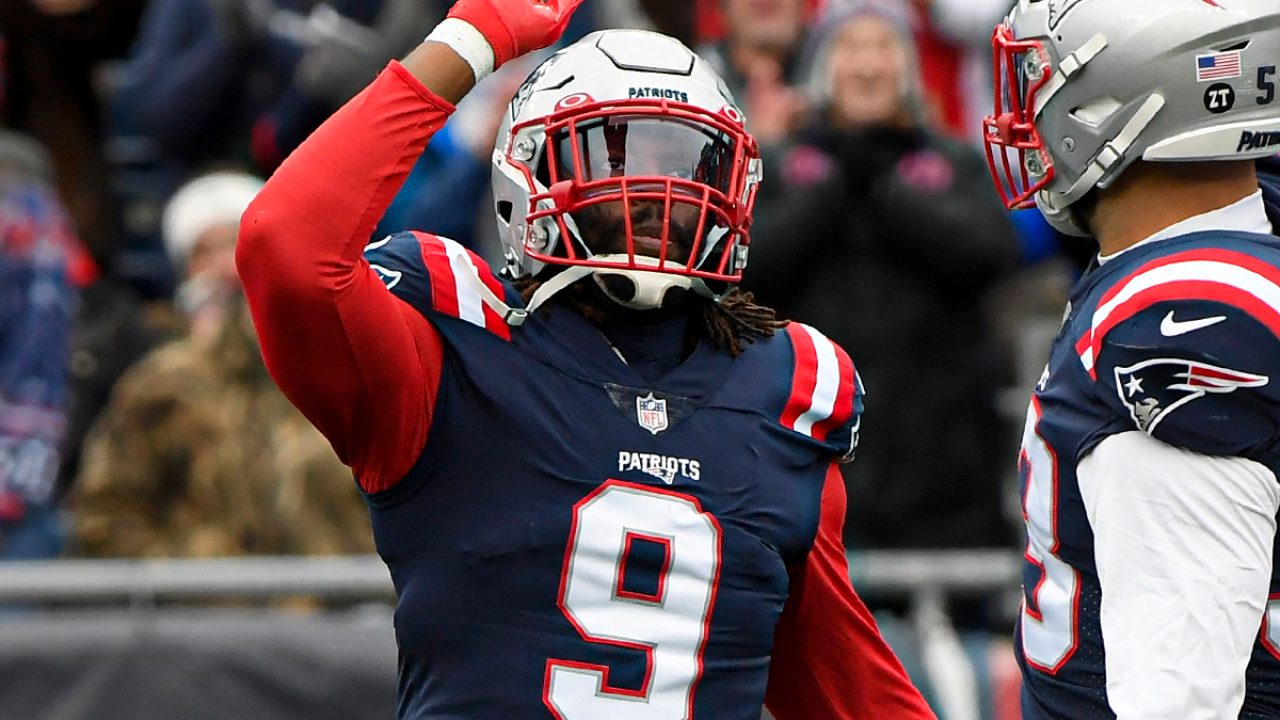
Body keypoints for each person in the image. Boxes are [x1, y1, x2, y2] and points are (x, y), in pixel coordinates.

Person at [236, 0, 936, 717]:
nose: (658, 188)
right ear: (530, 175)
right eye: (616, 152)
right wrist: (472, 42)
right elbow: (285, 248)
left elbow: (844, 682)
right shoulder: (453, 339)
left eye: (686, 159)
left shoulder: (783, 386)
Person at [983, 2, 1280, 718]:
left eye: (1039, 77)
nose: (1024, 111)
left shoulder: (1179, 313)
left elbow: (1179, 695)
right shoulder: (1233, 245)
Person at [747, 1, 1019, 554]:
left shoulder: (954, 163)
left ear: (909, 67)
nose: (868, 66)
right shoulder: (780, 167)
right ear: (824, 65)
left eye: (884, 48)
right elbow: (750, 266)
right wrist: (832, 191)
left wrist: (891, 194)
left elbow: (991, 255)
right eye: (850, 48)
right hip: (806, 467)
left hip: (944, 480)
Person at [74, 171, 372, 559]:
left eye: (236, 245)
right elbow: (106, 513)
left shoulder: (342, 369)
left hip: (342, 605)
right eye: (205, 252)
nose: (226, 269)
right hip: (215, 614)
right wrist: (197, 576)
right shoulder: (160, 384)